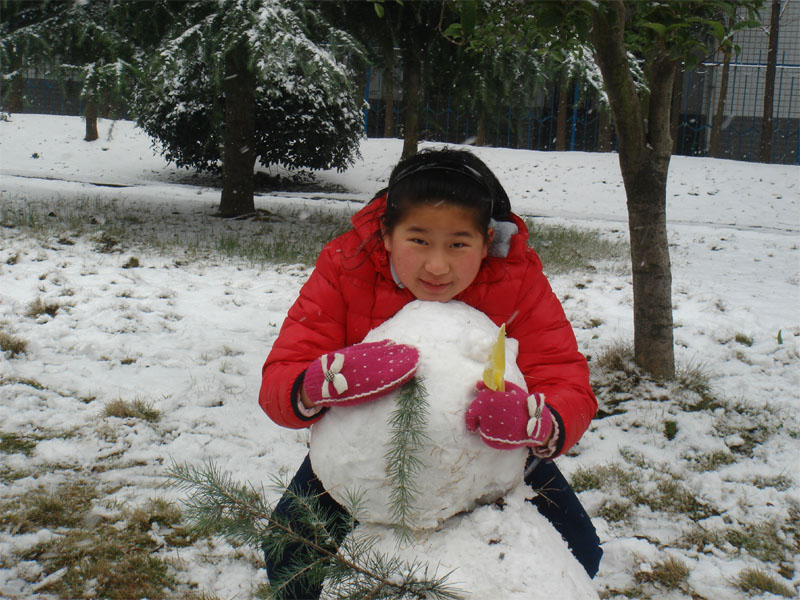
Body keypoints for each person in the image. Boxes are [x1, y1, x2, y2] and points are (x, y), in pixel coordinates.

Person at [259, 147, 602, 599]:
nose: (437, 266)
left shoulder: (515, 280)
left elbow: (563, 376)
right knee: (290, 554)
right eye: (418, 241)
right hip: (368, 453)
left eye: (458, 244)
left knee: (581, 550)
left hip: (490, 452)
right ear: (386, 234)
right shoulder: (348, 268)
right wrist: (314, 384)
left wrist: (541, 422)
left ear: (486, 242)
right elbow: (283, 370)